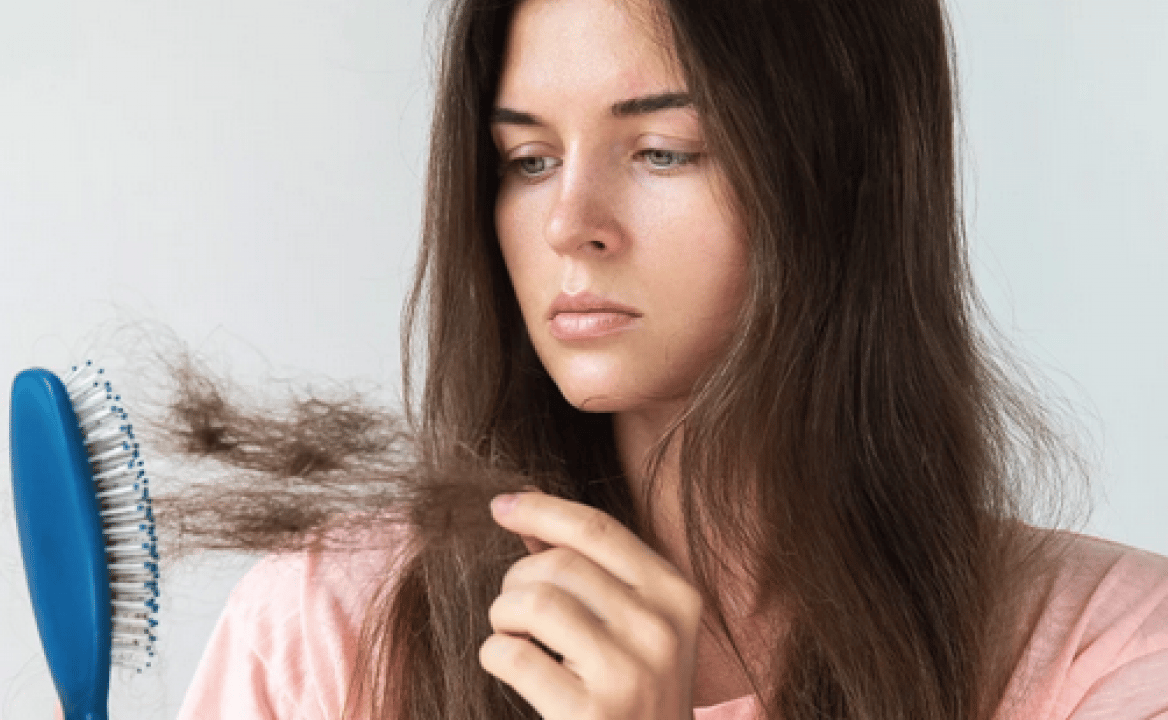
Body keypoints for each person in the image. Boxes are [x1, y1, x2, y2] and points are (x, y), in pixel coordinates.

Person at [165, 0, 1168, 718]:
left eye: (661, 151)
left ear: (838, 178)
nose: (568, 224)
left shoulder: (1107, 652)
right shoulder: (330, 627)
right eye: (527, 160)